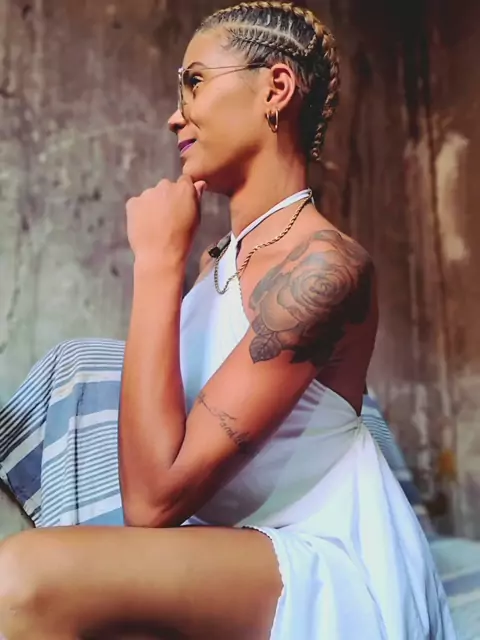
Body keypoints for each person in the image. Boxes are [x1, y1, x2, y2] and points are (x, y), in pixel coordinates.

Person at [0, 2, 455, 639]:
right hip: (242, 548)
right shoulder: (217, 261)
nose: (175, 115)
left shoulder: (326, 267)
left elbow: (151, 501)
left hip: (328, 565)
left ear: (276, 87)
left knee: (22, 577)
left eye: (194, 82)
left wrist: (156, 264)